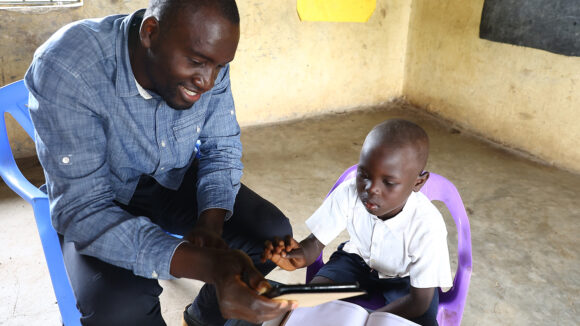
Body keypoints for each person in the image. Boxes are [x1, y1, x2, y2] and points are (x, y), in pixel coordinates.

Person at [24, 0, 297, 325]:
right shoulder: (68, 66)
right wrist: (208, 264)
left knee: (269, 235)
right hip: (99, 197)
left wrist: (209, 225)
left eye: (219, 67)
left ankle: (204, 318)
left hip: (171, 177)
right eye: (197, 62)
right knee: (122, 307)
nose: (208, 81)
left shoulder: (208, 56)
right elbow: (84, 210)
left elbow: (221, 147)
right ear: (150, 32)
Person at [262, 119, 452, 326]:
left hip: (406, 279)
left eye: (388, 182)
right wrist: (297, 257)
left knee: (418, 320)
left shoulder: (428, 226)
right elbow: (314, 243)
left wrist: (373, 318)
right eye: (364, 174)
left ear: (418, 182)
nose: (371, 189)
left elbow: (419, 301)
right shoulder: (349, 192)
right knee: (309, 302)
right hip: (354, 262)